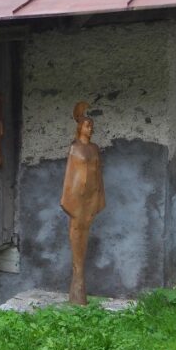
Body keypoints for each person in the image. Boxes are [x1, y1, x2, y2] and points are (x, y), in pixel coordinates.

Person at [60, 101, 106, 305]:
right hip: (76, 200)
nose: (91, 128)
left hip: (90, 198)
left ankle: (80, 285)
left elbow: (99, 176)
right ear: (80, 127)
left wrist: (99, 198)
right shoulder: (75, 148)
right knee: (76, 235)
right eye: (87, 125)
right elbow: (69, 177)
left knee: (85, 234)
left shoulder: (94, 149)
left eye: (92, 125)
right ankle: (77, 283)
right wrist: (67, 201)